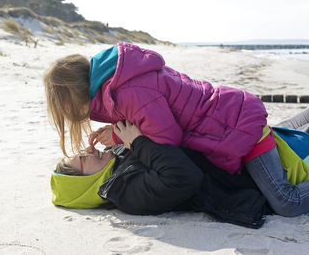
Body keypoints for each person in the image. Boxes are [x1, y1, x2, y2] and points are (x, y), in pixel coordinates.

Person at [51, 108, 309, 226]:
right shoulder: (127, 192)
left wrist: (119, 135)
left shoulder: (116, 159)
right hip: (246, 172)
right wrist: (137, 142)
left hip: (234, 147)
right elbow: (184, 177)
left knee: (291, 127)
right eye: (83, 159)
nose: (89, 150)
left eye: (81, 152)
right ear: (84, 184)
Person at [44, 42, 268, 175]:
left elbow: (168, 139)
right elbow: (149, 116)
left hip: (232, 122)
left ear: (73, 97)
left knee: (283, 201)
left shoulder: (124, 93)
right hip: (223, 115)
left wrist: (120, 137)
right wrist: (116, 130)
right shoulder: (116, 83)